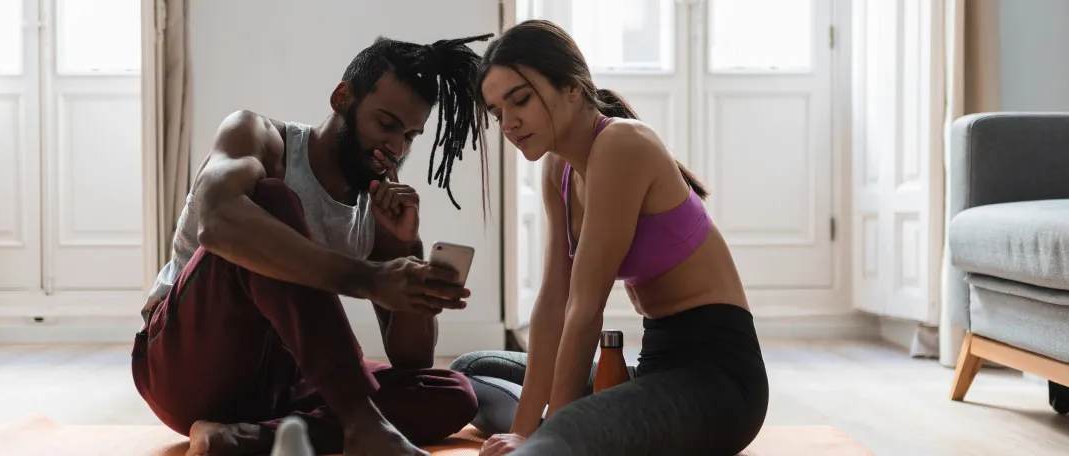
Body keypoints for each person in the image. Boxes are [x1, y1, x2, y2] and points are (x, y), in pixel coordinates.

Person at [131, 33, 494, 456]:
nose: (395, 147)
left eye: (410, 136)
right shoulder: (259, 138)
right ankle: (360, 422)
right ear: (342, 98)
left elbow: (411, 359)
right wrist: (370, 278)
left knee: (450, 391)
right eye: (386, 124)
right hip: (182, 365)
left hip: (278, 381)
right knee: (270, 200)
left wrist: (408, 246)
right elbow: (218, 222)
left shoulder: (376, 212)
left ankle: (246, 438)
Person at [451, 20, 770, 456]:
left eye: (519, 100)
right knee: (470, 372)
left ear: (572, 88)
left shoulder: (623, 145)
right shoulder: (558, 168)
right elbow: (553, 303)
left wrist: (544, 433)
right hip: (655, 369)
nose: (508, 123)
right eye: (496, 112)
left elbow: (585, 307)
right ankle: (563, 436)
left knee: (567, 430)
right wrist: (524, 429)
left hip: (719, 383)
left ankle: (562, 438)